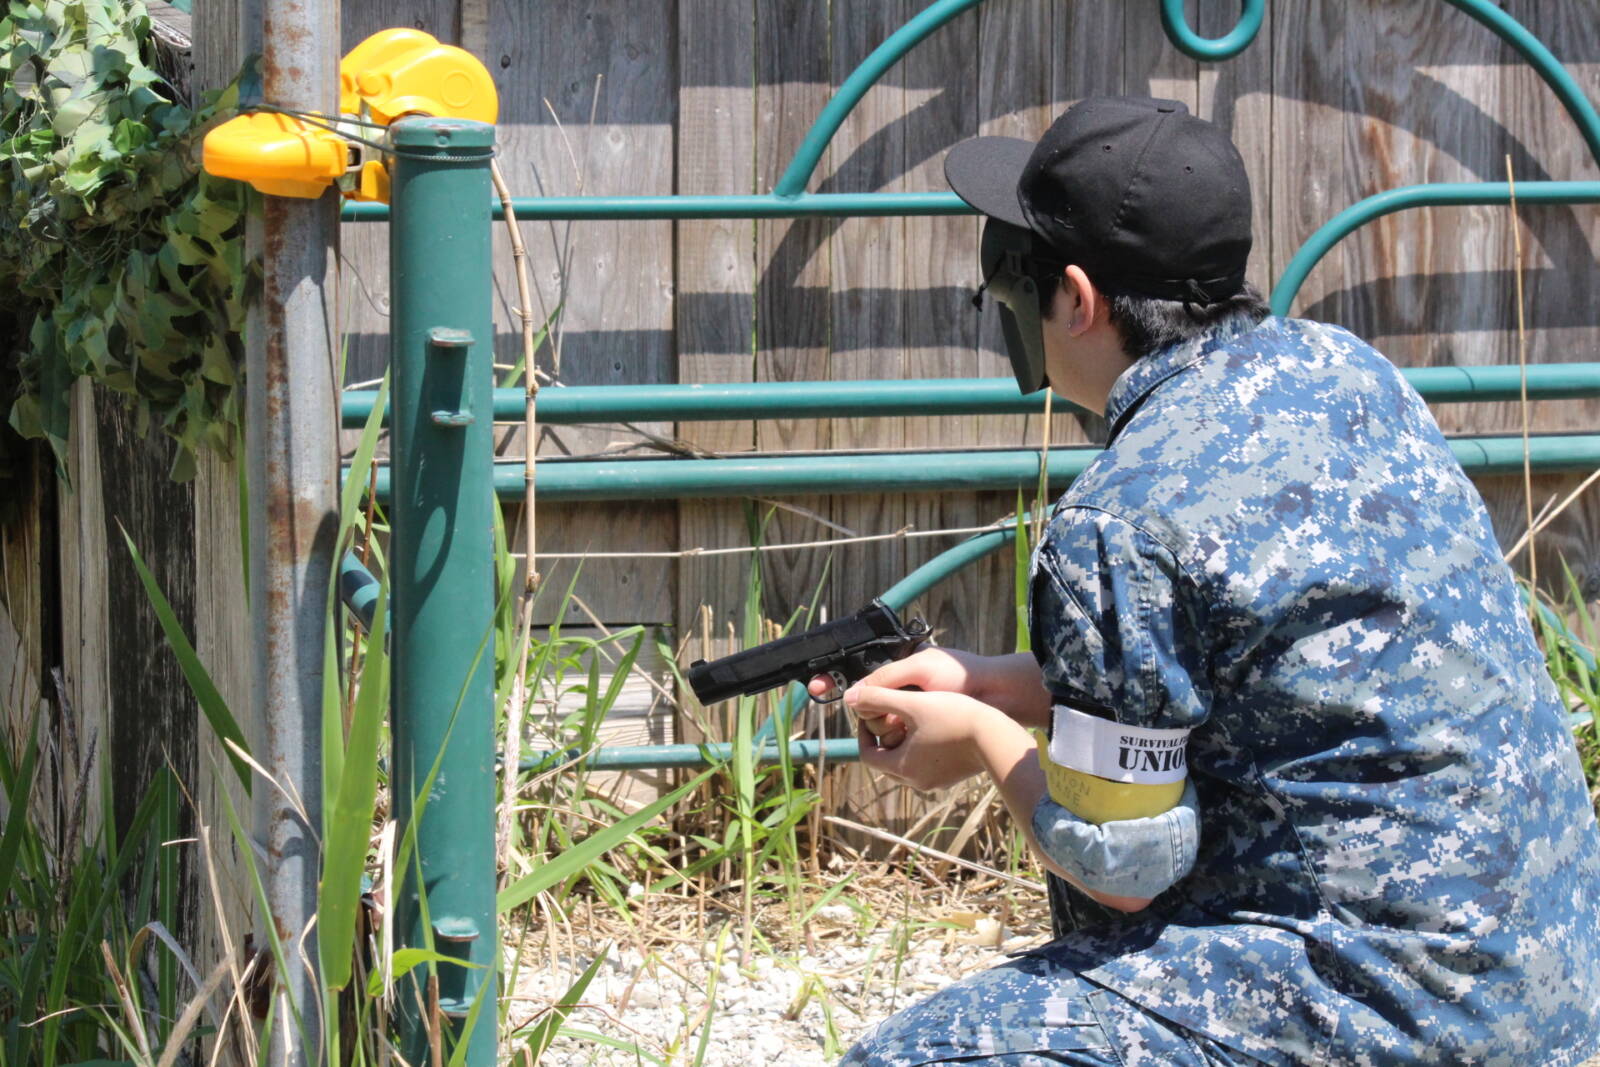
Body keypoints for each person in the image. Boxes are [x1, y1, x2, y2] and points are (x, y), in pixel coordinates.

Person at [815, 96, 1600, 1066]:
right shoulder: (1349, 373)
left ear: (1076, 298)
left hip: (1392, 1008)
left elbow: (1123, 871)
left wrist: (980, 738)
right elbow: (1261, 667)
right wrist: (993, 682)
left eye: (1011, 280)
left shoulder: (1117, 515)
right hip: (1546, 981)